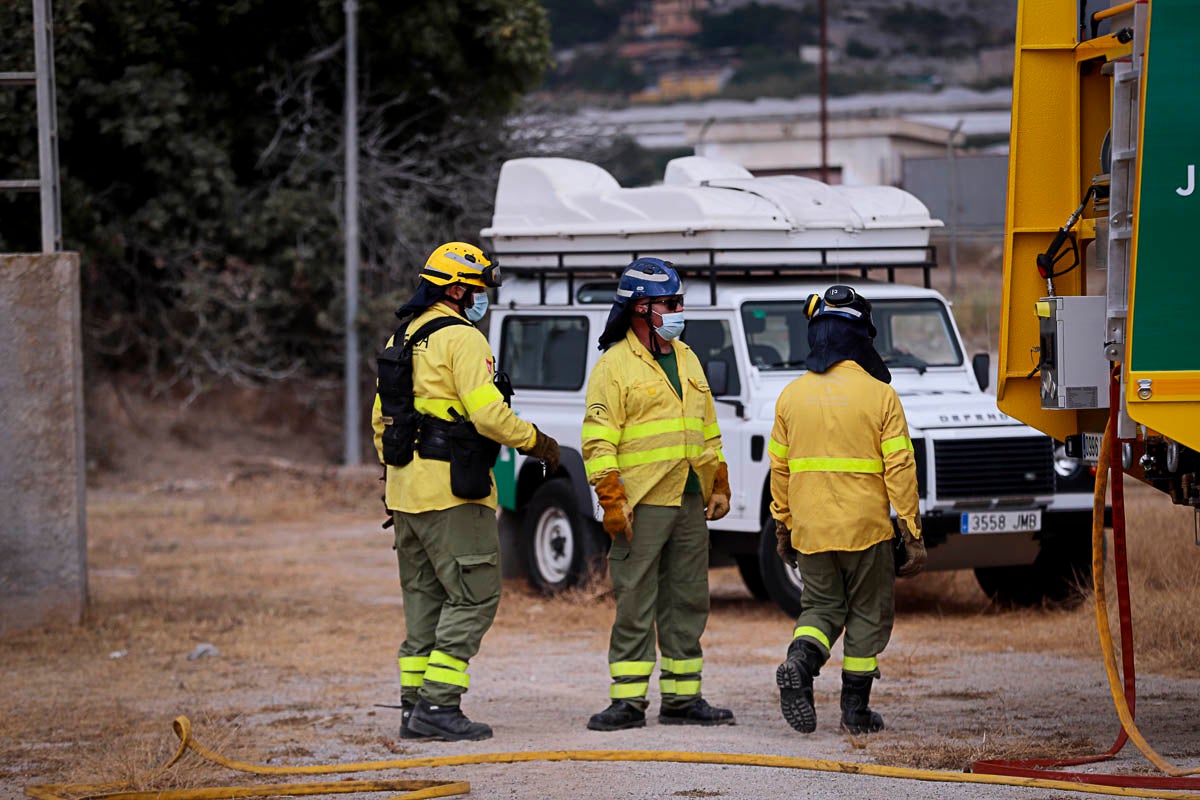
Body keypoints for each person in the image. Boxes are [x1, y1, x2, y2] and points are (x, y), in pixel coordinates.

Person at [372, 241, 560, 742]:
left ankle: (414, 709)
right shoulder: (463, 339)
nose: (482, 300)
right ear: (457, 289)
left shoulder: (403, 335)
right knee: (475, 595)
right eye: (478, 290)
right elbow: (489, 416)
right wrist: (538, 443)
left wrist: (395, 477)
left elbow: (380, 421)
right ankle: (438, 705)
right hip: (454, 495)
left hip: (406, 495)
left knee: (424, 602)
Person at [581, 257, 734, 731]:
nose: (678, 310)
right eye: (671, 303)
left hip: (688, 498)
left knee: (688, 599)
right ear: (642, 308)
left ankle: (683, 699)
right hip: (640, 503)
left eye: (679, 302)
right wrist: (610, 496)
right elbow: (598, 438)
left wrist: (720, 477)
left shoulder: (685, 356)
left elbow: (706, 425)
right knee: (635, 601)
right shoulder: (613, 366)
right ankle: (627, 702)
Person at [769, 284, 926, 735]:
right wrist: (911, 531)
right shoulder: (880, 396)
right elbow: (900, 467)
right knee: (866, 614)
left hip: (812, 531)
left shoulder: (790, 397)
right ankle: (855, 711)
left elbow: (780, 471)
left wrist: (784, 525)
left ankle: (799, 664)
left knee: (819, 608)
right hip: (866, 532)